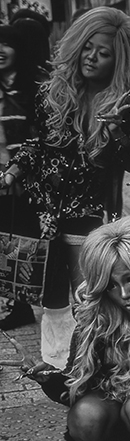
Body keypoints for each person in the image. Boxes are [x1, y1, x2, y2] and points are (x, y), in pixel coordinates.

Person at [2, 7, 130, 369]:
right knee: (53, 301)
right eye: (88, 47)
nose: (92, 57)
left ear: (118, 60)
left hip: (93, 218)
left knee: (91, 297)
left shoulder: (126, 103)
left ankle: (97, 370)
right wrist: (16, 168)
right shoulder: (55, 93)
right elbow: (40, 144)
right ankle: (60, 368)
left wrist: (118, 134)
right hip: (48, 214)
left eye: (104, 52)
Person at [21, 216, 130, 441]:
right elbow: (76, 385)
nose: (124, 294)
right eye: (111, 285)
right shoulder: (99, 316)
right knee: (86, 417)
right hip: (113, 399)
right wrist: (49, 378)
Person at [0, 21, 47, 331]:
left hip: (22, 175)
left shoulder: (31, 88)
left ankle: (22, 303)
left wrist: (18, 169)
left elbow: (38, 134)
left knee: (20, 236)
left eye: (5, 45)